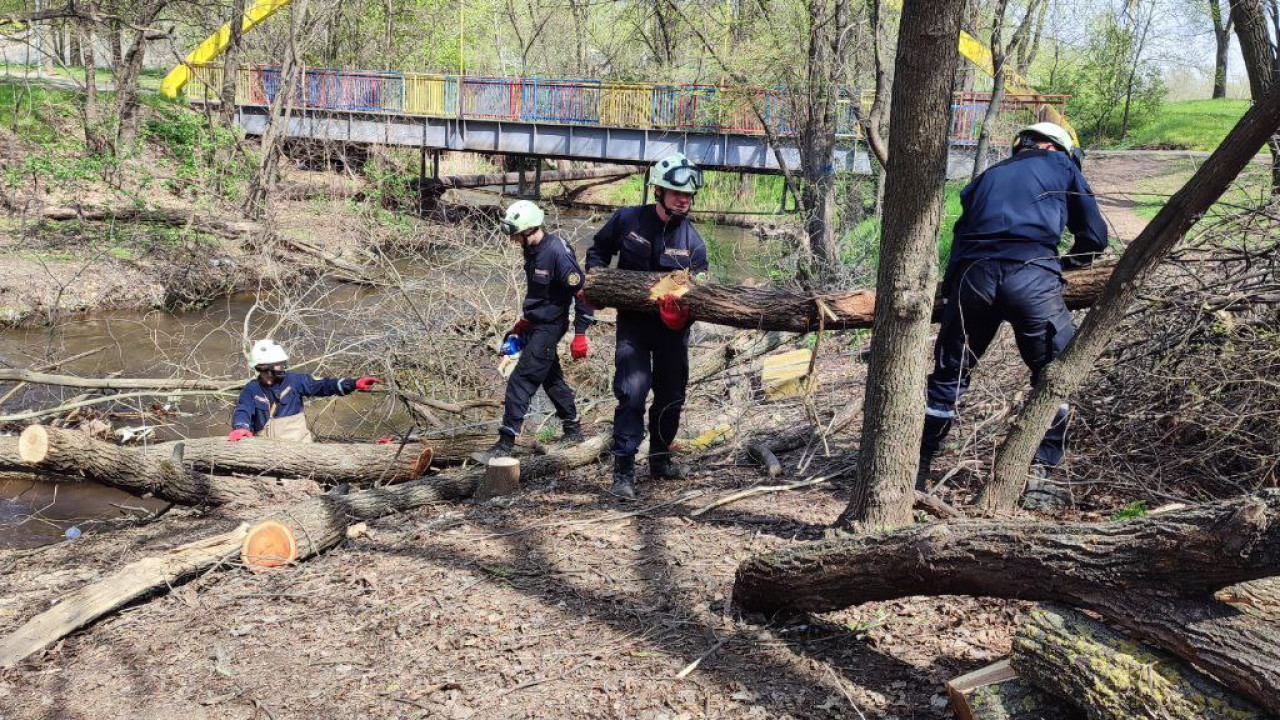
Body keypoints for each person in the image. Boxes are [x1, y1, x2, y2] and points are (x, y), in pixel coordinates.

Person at [917, 121, 1108, 507]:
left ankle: (916, 471)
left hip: (973, 278)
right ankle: (1038, 479)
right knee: (1054, 374)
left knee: (950, 375)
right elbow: (1094, 236)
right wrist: (1069, 266)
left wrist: (956, 291)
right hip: (1032, 275)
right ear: (1059, 148)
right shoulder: (1063, 167)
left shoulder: (987, 175)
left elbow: (961, 235)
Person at [584, 152, 708, 500]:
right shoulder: (627, 220)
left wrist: (684, 313)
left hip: (672, 333)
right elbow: (597, 253)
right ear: (659, 191)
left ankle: (661, 460)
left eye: (688, 195)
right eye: (676, 193)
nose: (683, 200)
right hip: (634, 327)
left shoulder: (694, 244)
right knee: (631, 394)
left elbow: (701, 293)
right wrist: (595, 284)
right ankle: (623, 471)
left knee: (671, 396)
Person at [472, 200, 594, 463]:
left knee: (522, 379)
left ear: (529, 230)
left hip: (551, 327)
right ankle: (573, 430)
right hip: (536, 323)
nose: (514, 240)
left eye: (516, 234)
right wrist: (524, 322)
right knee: (551, 378)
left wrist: (581, 333)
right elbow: (538, 293)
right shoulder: (531, 250)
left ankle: (505, 444)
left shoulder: (557, 254)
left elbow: (583, 294)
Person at [228, 339, 382, 443]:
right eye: (278, 364)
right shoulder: (251, 389)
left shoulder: (295, 381)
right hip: (266, 450)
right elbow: (243, 410)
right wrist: (241, 428)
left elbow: (323, 385)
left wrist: (353, 383)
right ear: (263, 367)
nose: (283, 367)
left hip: (298, 448)